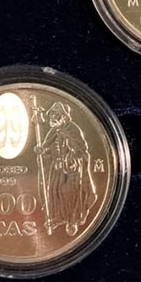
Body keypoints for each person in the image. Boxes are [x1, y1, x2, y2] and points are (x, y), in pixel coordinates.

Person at [35, 101, 98, 236]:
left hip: (71, 170)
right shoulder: (54, 130)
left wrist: (72, 158)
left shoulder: (73, 129)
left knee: (68, 193)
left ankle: (72, 219)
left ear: (63, 116)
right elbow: (47, 146)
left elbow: (82, 149)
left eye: (56, 115)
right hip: (56, 168)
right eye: (52, 115)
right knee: (54, 191)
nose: (53, 118)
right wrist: (41, 150)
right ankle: (57, 217)